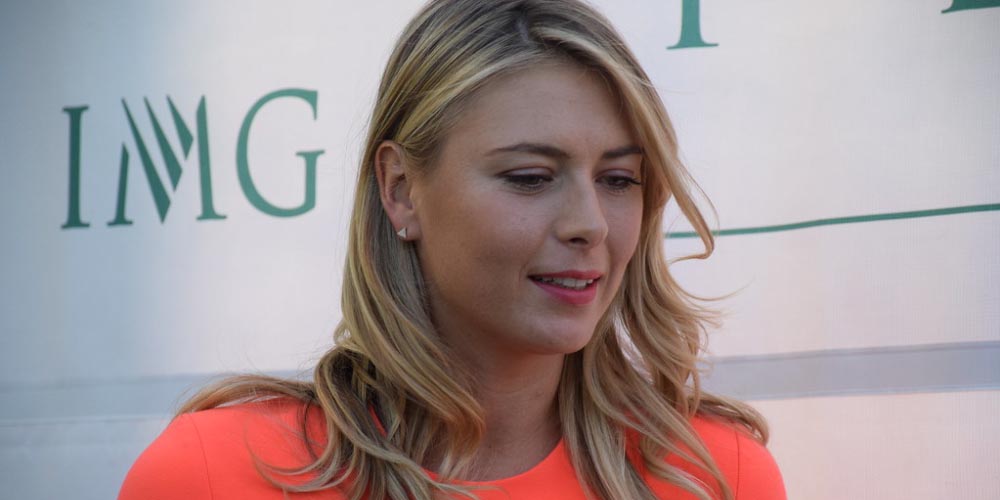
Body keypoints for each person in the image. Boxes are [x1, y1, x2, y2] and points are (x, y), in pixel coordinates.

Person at [119, 0, 785, 499]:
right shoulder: (213, 472)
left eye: (618, 180)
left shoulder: (714, 475)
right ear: (400, 190)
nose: (590, 225)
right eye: (530, 177)